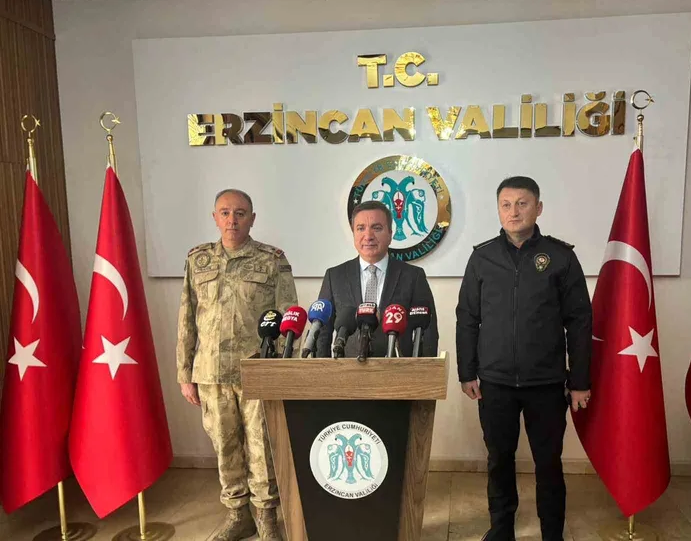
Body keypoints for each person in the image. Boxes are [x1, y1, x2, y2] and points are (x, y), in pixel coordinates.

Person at [456, 176, 592, 541]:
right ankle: (501, 531)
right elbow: (467, 317)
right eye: (506, 205)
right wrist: (467, 372)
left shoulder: (561, 257)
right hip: (495, 383)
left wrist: (580, 381)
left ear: (538, 208)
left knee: (548, 464)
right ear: (498, 210)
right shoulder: (482, 257)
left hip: (546, 384)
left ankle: (552, 534)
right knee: (499, 460)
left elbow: (580, 321)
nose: (513, 212)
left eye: (522, 203)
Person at [177, 189, 298, 541]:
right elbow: (187, 318)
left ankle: (266, 518)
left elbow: (289, 318)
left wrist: (281, 373)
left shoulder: (271, 260)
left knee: (262, 448)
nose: (233, 220)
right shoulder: (198, 260)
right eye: (226, 212)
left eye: (241, 213)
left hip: (256, 373)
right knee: (225, 449)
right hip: (211, 373)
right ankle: (237, 515)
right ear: (215, 217)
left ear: (252, 219)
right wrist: (185, 374)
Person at [315, 200, 439, 358]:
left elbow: (428, 333)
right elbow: (322, 333)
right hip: (347, 369)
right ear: (353, 234)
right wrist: (322, 369)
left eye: (377, 228)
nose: (368, 236)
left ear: (390, 234)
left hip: (398, 369)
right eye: (361, 228)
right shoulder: (335, 276)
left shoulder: (413, 276)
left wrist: (424, 370)